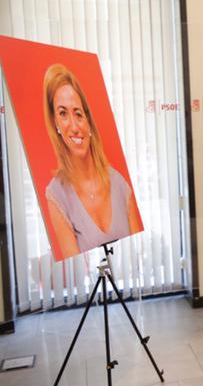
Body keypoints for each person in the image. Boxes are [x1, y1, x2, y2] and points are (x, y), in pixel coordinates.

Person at [43, 64, 142, 259]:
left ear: (88, 121)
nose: (74, 126)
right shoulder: (56, 196)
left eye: (78, 114)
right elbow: (76, 272)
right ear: (56, 124)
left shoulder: (119, 183)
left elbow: (136, 257)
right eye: (63, 114)